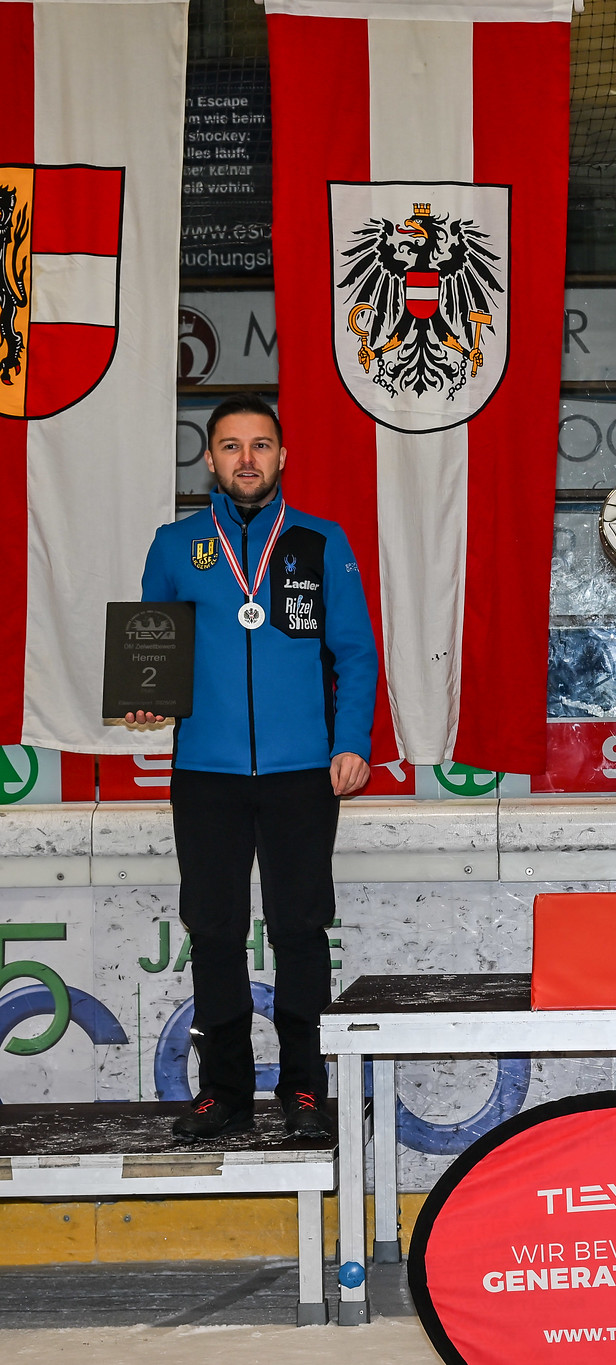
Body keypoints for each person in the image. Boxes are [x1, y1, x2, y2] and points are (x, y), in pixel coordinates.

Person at [127, 396, 378, 1140]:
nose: (246, 459)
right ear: (207, 459)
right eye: (231, 446)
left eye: (261, 445)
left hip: (304, 770)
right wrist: (148, 700)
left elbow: (356, 653)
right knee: (213, 928)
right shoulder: (174, 547)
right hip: (206, 770)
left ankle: (304, 1087)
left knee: (301, 928)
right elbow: (153, 645)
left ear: (282, 456)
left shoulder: (321, 541)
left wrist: (352, 739)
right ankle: (224, 1090)